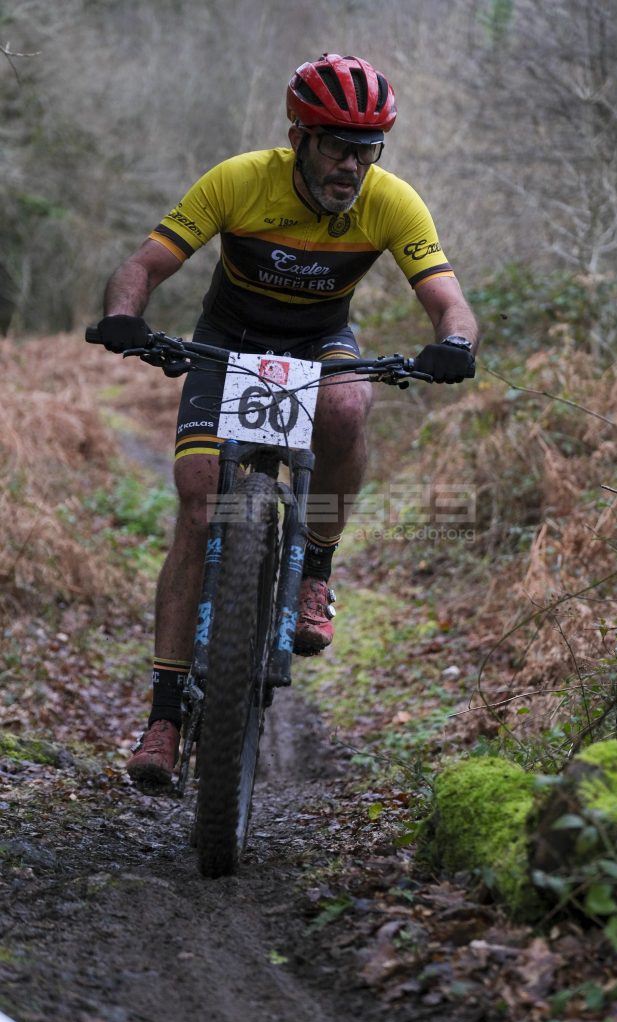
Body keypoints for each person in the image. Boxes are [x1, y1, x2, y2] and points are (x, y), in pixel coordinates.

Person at [95, 53, 479, 786]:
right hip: (227, 340)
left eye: (367, 150)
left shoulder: (391, 201)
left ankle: (315, 573)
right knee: (199, 499)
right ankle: (165, 716)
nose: (352, 166)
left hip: (318, 342)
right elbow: (142, 265)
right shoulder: (238, 181)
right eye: (337, 146)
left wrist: (455, 343)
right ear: (298, 137)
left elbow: (447, 299)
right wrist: (123, 315)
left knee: (347, 403)